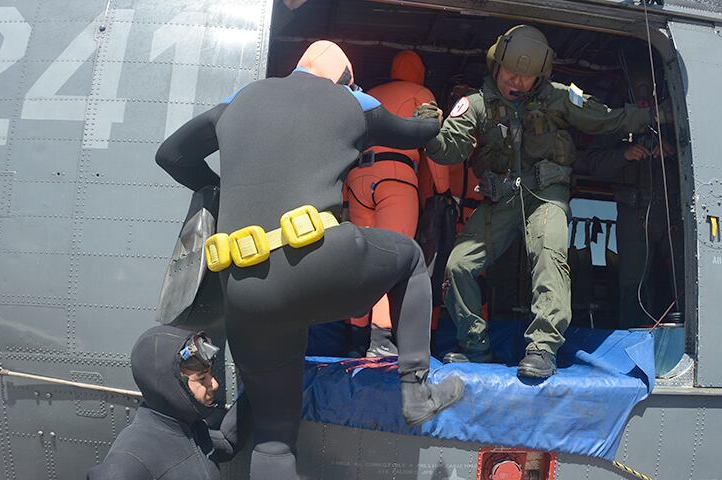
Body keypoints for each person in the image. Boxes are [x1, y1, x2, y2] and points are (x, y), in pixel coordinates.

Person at [154, 40, 464, 480]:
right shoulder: (352, 100)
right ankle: (416, 392)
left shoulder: (238, 99)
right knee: (410, 258)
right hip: (318, 261)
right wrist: (442, 117)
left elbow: (170, 155)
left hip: (243, 290)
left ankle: (242, 444)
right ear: (343, 78)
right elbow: (416, 134)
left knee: (276, 441)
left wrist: (223, 193)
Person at [416, 25, 668, 379]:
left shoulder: (560, 99)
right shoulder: (475, 105)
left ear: (540, 77)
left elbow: (605, 118)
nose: (516, 81)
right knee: (458, 266)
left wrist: (653, 115)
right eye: (510, 72)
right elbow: (450, 149)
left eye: (526, 76)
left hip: (546, 196)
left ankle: (542, 348)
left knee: (550, 254)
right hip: (501, 199)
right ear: (496, 65)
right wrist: (428, 133)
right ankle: (475, 345)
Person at [344, 49, 438, 358]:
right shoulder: (421, 93)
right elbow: (433, 149)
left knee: (361, 260)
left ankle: (355, 335)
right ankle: (381, 340)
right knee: (391, 260)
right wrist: (440, 192)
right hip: (396, 179)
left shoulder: (369, 95)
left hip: (357, 179)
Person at [581, 62, 681, 328]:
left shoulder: (677, 116)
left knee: (683, 280)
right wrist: (624, 154)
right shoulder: (617, 122)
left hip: (672, 213)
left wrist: (671, 149)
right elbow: (593, 163)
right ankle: (632, 339)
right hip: (633, 212)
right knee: (632, 284)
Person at [87, 326, 249, 479]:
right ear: (170, 385)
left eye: (210, 374)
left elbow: (226, 442)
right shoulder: (129, 462)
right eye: (201, 379)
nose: (214, 384)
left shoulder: (192, 431)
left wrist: (256, 384)